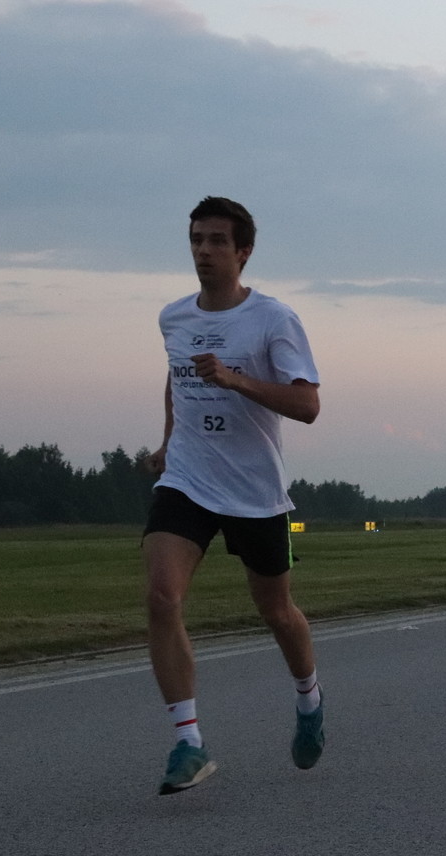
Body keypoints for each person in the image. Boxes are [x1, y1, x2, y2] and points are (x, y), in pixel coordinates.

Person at [143, 197, 324, 795]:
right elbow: (177, 377)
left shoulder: (273, 319)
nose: (204, 251)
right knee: (162, 597)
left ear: (243, 252)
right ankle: (189, 744)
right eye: (197, 239)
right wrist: (168, 442)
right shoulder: (174, 317)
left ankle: (309, 698)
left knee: (277, 611)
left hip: (254, 489)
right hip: (188, 479)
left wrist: (234, 378)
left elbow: (308, 405)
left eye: (217, 241)